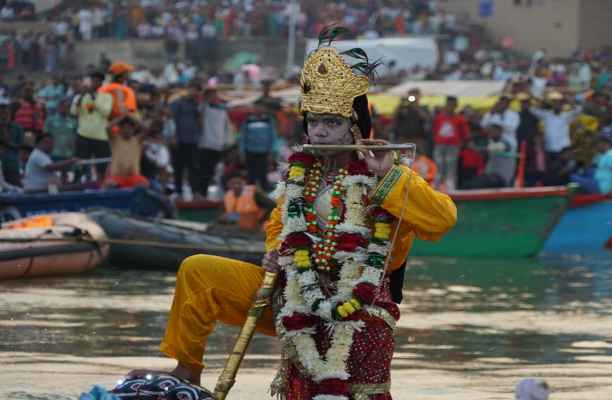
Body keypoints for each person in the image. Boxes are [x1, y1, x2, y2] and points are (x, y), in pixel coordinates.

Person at [124, 31, 456, 399]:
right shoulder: (302, 174)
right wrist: (278, 252)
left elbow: (442, 220)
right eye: (314, 121)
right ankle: (188, 370)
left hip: (359, 305)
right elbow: (280, 226)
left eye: (332, 122)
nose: (321, 131)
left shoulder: (385, 171)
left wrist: (387, 176)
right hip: (294, 291)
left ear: (354, 126)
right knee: (198, 270)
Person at [71, 71, 113, 181]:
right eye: (92, 80)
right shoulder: (81, 96)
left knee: (102, 168)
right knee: (79, 167)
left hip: (101, 137)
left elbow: (106, 112)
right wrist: (81, 97)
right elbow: (74, 112)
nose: (94, 83)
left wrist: (94, 98)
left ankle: (101, 190)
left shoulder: (107, 96)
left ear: (101, 83)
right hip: (83, 135)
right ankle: (77, 188)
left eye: (97, 81)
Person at [197, 87, 234, 197]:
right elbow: (201, 108)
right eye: (211, 94)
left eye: (214, 94)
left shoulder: (223, 110)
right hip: (206, 145)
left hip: (220, 146)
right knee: (205, 171)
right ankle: (202, 194)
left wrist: (227, 143)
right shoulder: (204, 108)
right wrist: (205, 98)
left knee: (219, 172)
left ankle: (223, 195)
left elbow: (227, 127)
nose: (213, 96)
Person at [169, 81, 202, 197]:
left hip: (193, 140)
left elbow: (199, 121)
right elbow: (171, 120)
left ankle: (195, 192)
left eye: (197, 90)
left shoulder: (197, 104)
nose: (194, 92)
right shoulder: (177, 103)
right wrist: (173, 136)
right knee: (178, 167)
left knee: (193, 167)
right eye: (192, 89)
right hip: (179, 139)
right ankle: (178, 191)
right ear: (188, 89)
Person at [531, 91, 582, 165]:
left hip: (563, 149)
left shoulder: (566, 116)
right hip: (549, 149)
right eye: (555, 103)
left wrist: (568, 100)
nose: (557, 105)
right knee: (550, 172)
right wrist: (543, 100)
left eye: (560, 104)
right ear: (552, 105)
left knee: (561, 172)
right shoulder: (546, 114)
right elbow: (532, 110)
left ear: (563, 106)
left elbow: (578, 110)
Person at [432, 95, 468, 191]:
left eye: (452, 105)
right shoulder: (439, 118)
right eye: (448, 104)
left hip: (453, 146)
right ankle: (436, 189)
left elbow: (465, 134)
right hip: (440, 145)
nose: (450, 107)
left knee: (451, 169)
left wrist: (459, 144)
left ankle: (451, 191)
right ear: (446, 105)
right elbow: (435, 130)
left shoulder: (460, 119)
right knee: (438, 168)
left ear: (456, 106)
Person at [239, 100, 277, 192]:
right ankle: (249, 198)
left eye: (261, 107)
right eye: (256, 107)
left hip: (264, 152)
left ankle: (265, 199)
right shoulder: (248, 120)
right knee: (251, 176)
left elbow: (272, 136)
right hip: (250, 152)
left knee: (263, 176)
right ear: (253, 108)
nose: (258, 109)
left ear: (264, 108)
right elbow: (242, 137)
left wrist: (272, 152)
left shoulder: (268, 120)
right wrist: (242, 152)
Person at [0, 101, 23, 186]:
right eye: (1, 112)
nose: (3, 115)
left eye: (6, 112)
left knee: (16, 188)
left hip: (12, 164)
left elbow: (20, 146)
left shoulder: (17, 127)